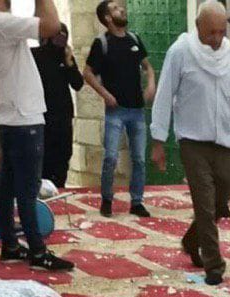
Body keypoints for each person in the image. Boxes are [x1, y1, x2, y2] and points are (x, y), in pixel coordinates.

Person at [150, 0, 230, 286]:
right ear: (197, 27)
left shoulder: (228, 53)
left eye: (221, 32)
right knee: (204, 202)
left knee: (225, 193)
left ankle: (192, 240)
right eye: (210, 33)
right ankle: (214, 265)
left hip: (224, 139)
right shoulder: (180, 51)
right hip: (192, 140)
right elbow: (164, 96)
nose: (217, 39)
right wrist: (158, 140)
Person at [0, 0, 73, 271]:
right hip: (22, 117)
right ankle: (38, 252)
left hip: (12, 115)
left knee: (8, 186)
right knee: (27, 189)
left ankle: (10, 245)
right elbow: (52, 26)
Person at [84, 0, 155, 218]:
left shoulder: (134, 39)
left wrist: (151, 84)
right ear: (107, 18)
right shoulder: (102, 43)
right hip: (116, 111)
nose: (122, 9)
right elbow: (87, 73)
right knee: (111, 157)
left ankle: (137, 201)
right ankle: (107, 200)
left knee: (139, 159)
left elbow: (148, 67)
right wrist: (105, 94)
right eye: (115, 8)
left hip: (137, 110)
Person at [32, 25, 84, 190]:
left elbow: (78, 84)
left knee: (63, 154)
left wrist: (69, 63)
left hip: (63, 115)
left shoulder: (65, 56)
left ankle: (59, 187)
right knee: (45, 156)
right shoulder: (34, 55)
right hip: (42, 115)